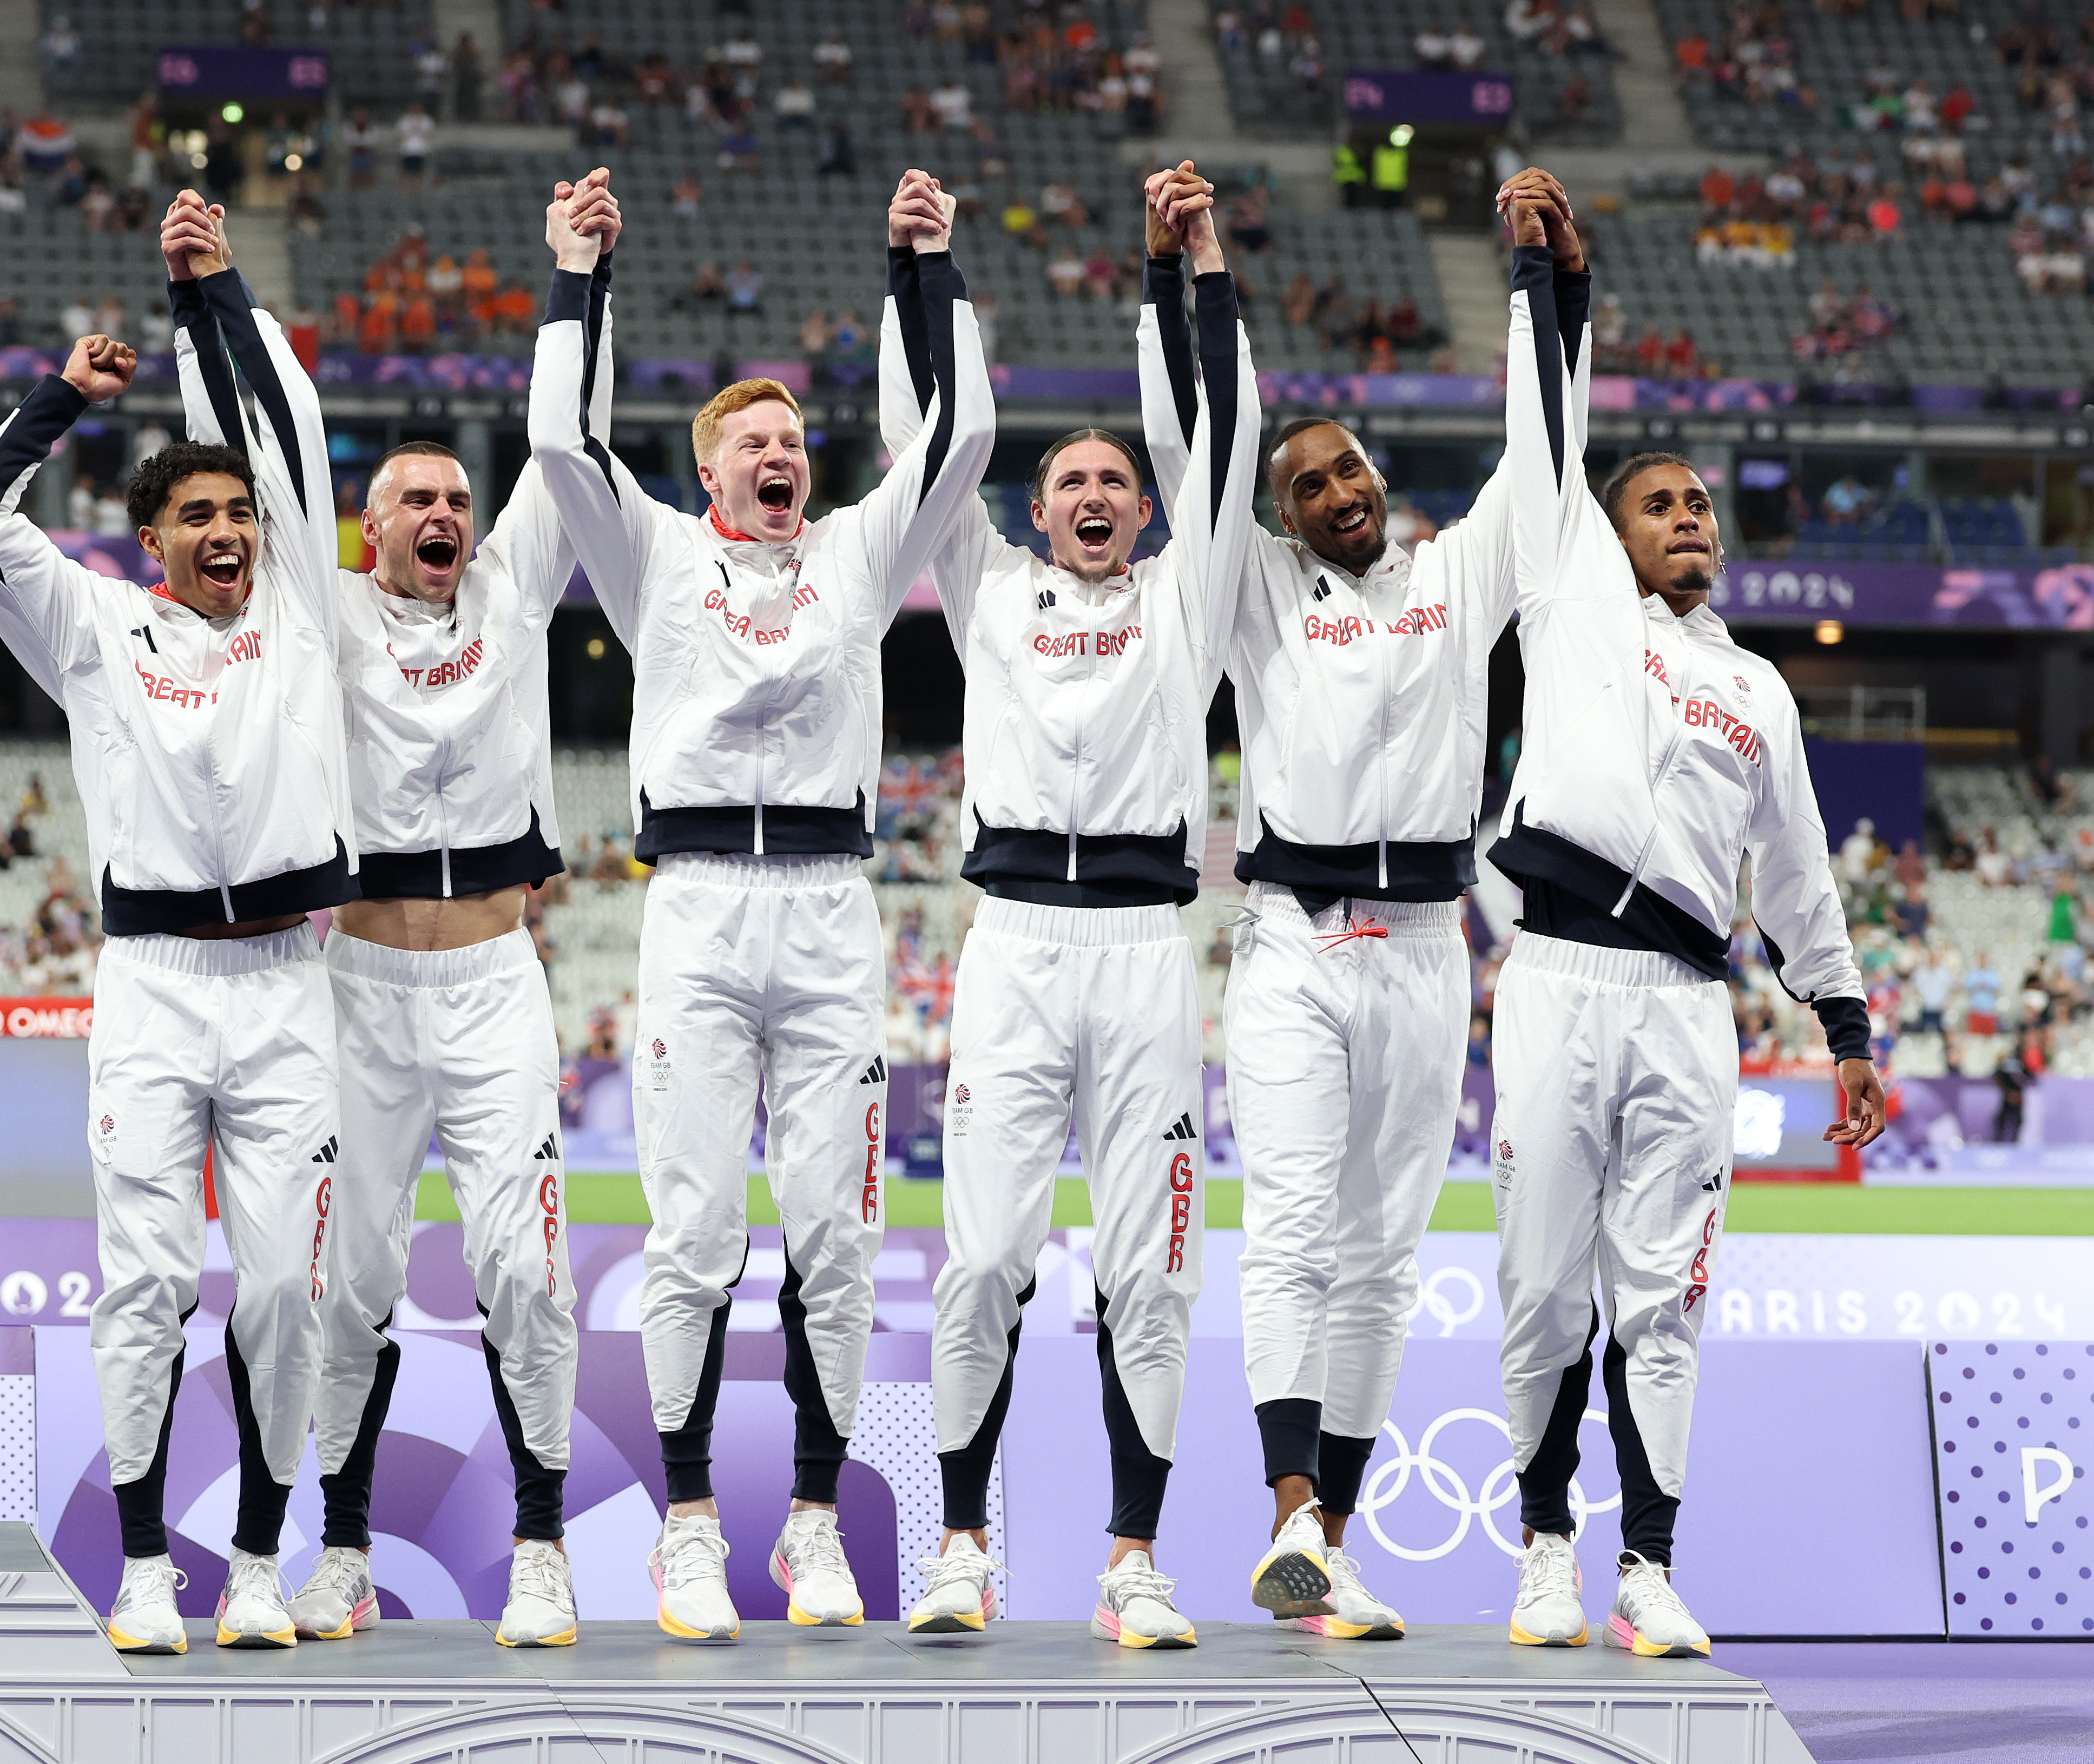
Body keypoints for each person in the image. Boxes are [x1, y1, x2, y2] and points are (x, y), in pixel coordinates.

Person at [528, 167, 992, 1641]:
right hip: (702, 906)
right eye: (756, 439)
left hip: (832, 904)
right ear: (708, 465)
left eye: (798, 436)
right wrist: (579, 276)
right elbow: (559, 434)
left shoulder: (859, 551)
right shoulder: (654, 552)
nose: (784, 453)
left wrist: (921, 268)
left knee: (839, 1234)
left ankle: (813, 1520)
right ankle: (681, 1522)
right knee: (690, 1232)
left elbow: (963, 432)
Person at [162, 178, 617, 1650]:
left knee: (528, 1270)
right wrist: (211, 300)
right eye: (417, 499)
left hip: (493, 974)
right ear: (364, 528)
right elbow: (270, 438)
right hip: (348, 983)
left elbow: (566, 441)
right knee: (335, 1286)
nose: (448, 513)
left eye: (458, 499)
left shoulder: (519, 590)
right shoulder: (324, 607)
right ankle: (339, 1548)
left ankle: (541, 1546)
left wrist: (575, 276)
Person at [1137, 168, 1580, 1642]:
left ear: (1383, 476)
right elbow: (1204, 444)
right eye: (1306, 482)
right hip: (1292, 940)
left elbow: (1543, 452)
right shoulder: (1251, 584)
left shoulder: (1459, 576)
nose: (1337, 490)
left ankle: (1325, 1535)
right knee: (1298, 1226)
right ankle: (1284, 1512)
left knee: (1389, 1252)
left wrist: (1544, 284)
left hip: (1428, 944)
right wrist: (1193, 277)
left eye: (1351, 471)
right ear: (1278, 511)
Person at [0, 219, 357, 1657]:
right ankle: (137, 1564)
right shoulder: (94, 628)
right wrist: (62, 399)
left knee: (293, 1285)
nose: (232, 531)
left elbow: (290, 425)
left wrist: (214, 291)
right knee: (147, 1281)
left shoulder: (302, 609)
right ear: (151, 541)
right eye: (202, 518)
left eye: (243, 512)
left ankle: (253, 1560)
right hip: (155, 986)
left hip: (293, 981)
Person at [1485, 188, 1882, 1657]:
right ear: (1611, 531)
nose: (1691, 521)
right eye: (1663, 504)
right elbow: (1546, 437)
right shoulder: (1571, 600)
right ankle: (1540, 1548)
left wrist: (1843, 1022)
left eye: (1703, 507)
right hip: (1558, 978)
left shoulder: (1761, 688)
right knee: (1538, 1288)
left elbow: (1799, 876)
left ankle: (1646, 1562)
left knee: (1669, 1295)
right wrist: (1551, 282)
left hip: (1684, 1005)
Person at [888, 163, 1258, 1648]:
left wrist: (1189, 269)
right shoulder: (984, 586)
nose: (1096, 494)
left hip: (1146, 952)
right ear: (1035, 516)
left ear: (1146, 510)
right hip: (1017, 945)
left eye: (1117, 479)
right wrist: (926, 267)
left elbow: (1218, 431)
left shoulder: (1192, 595)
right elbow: (932, 447)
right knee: (981, 1256)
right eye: (1072, 484)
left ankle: (1133, 1559)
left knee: (1151, 1268)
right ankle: (962, 1543)